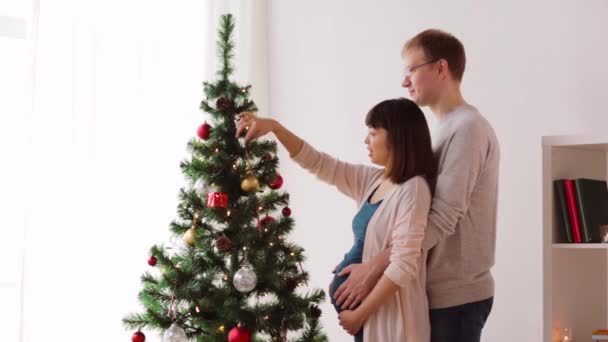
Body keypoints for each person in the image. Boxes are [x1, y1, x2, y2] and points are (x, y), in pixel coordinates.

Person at [331, 29, 500, 342]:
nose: (404, 81)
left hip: (456, 297)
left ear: (441, 68)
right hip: (432, 293)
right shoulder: (441, 131)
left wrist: (375, 267)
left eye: (411, 69)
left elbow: (441, 217)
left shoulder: (468, 129)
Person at [237, 98, 437, 341]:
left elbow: (404, 266)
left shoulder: (413, 189)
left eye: (373, 133)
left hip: (389, 320)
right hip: (368, 320)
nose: (366, 140)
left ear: (397, 138)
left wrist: (360, 313)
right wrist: (276, 128)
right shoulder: (373, 180)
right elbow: (319, 163)